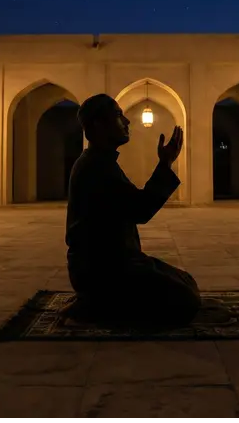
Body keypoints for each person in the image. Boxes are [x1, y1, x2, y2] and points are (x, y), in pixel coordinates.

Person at [63, 93, 200, 330]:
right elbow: (141, 209)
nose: (126, 122)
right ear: (99, 124)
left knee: (185, 282)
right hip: (100, 270)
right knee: (185, 301)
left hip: (115, 262)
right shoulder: (95, 167)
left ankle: (97, 303)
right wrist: (165, 164)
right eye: (118, 116)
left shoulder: (100, 162)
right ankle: (93, 307)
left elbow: (132, 206)